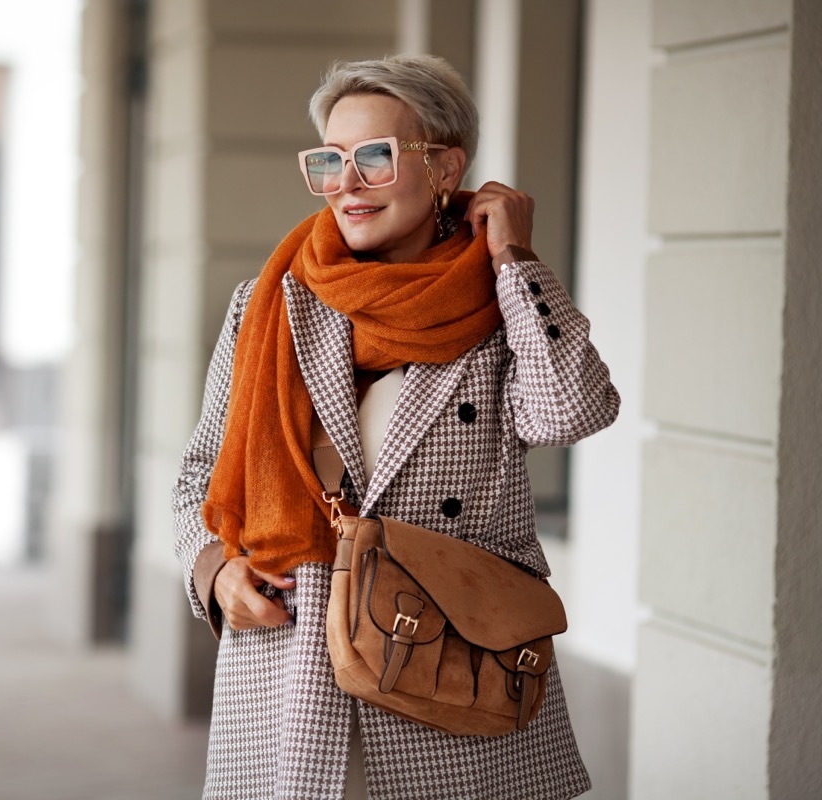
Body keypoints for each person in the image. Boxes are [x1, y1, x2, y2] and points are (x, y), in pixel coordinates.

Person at [172, 54, 619, 800]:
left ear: (445, 167)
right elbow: (198, 476)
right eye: (330, 161)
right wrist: (214, 569)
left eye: (375, 157)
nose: (347, 183)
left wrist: (515, 257)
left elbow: (572, 410)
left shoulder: (502, 305)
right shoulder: (272, 305)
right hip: (298, 663)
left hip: (453, 666)